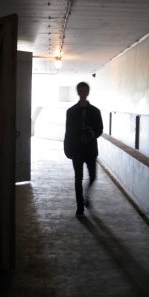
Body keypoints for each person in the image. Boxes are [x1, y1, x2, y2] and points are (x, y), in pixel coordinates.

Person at [64, 81, 103, 216]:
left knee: (93, 176)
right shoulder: (71, 111)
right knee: (78, 178)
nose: (82, 93)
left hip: (90, 149)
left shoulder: (95, 111)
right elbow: (68, 131)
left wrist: (93, 133)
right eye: (80, 91)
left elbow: (100, 129)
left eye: (85, 91)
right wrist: (67, 149)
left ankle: (86, 196)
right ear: (78, 92)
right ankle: (79, 206)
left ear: (88, 92)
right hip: (77, 150)